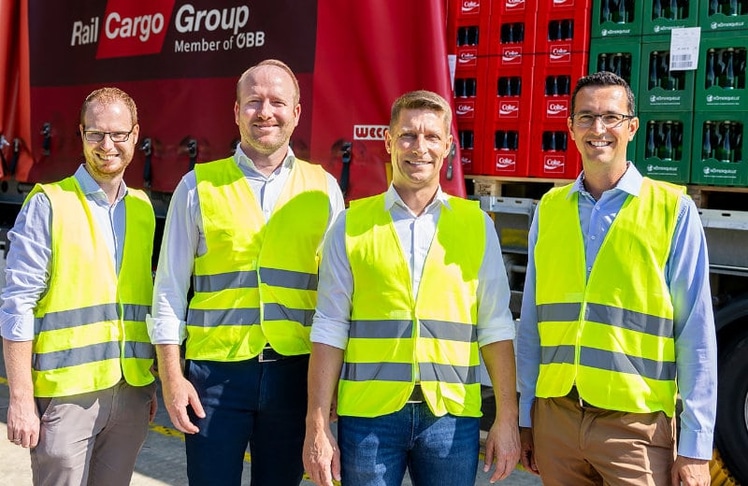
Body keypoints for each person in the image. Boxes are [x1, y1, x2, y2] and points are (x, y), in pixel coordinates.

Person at [303, 90, 520, 486]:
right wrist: (316, 424)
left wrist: (507, 417)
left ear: (447, 145)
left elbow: (496, 326)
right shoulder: (351, 225)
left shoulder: (477, 226)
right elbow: (330, 325)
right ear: (388, 141)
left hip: (450, 418)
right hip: (369, 418)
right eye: (407, 135)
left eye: (432, 136)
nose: (419, 147)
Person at [148, 59, 344, 486]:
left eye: (277, 102)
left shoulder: (324, 189)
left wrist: (329, 390)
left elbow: (337, 300)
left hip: (295, 376)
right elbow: (168, 292)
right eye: (253, 101)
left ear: (296, 113)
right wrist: (172, 378)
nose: (265, 112)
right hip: (215, 379)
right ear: (236, 111)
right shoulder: (197, 186)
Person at [516, 71, 717, 486]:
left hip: (635, 429)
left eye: (611, 117)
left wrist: (696, 447)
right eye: (586, 117)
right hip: (557, 419)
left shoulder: (673, 210)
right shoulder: (549, 209)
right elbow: (532, 323)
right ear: (571, 128)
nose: (598, 129)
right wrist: (525, 417)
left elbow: (696, 334)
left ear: (632, 127)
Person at [1, 87, 157, 485]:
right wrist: (20, 398)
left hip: (130, 392)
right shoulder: (49, 204)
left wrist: (149, 382)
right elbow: (17, 304)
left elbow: (141, 303)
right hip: (67, 397)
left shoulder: (143, 209)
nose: (107, 145)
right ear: (82, 134)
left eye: (118, 134)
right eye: (96, 134)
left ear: (135, 135)